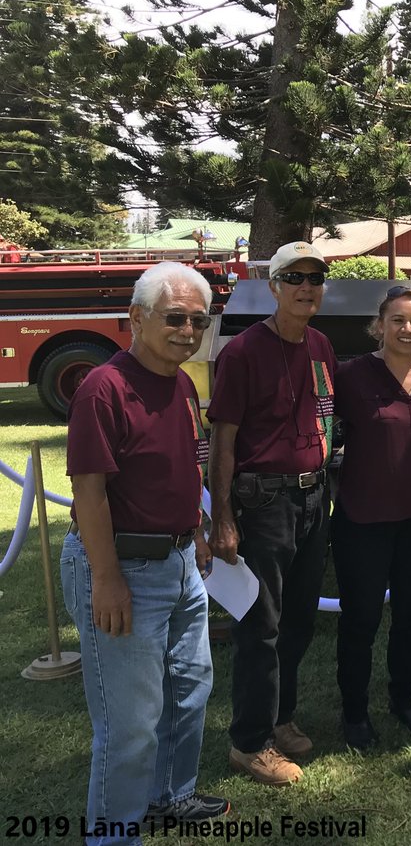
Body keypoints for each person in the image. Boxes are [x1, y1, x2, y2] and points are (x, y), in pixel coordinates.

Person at [61, 261, 230, 846]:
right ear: (136, 318)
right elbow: (89, 495)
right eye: (174, 318)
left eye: (198, 320)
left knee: (190, 691)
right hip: (123, 568)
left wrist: (200, 529)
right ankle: (113, 836)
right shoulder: (103, 389)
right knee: (130, 725)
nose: (188, 330)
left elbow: (185, 467)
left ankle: (171, 797)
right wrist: (106, 580)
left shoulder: (183, 384)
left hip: (183, 563)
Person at [207, 241, 337, 785]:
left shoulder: (321, 346)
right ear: (274, 286)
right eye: (295, 278)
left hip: (313, 498)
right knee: (260, 624)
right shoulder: (242, 352)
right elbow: (222, 440)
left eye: (316, 277)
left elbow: (328, 416)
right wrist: (223, 516)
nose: (307, 286)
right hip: (262, 502)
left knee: (299, 620)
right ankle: (250, 743)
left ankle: (281, 718)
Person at [331, 286, 411, 749]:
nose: (407, 329)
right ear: (379, 325)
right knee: (361, 619)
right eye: (398, 320)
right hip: (362, 518)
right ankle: (355, 712)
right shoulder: (349, 377)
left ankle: (403, 701)